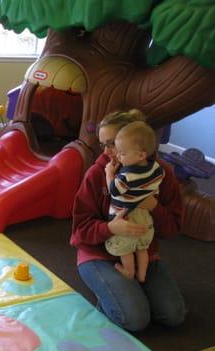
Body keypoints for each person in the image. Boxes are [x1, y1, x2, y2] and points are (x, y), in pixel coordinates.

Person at [70, 109, 186, 332]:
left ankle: (127, 290)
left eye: (112, 143)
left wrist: (153, 206)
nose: (106, 152)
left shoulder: (162, 174)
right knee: (135, 319)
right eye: (103, 144)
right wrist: (110, 228)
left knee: (173, 315)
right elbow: (80, 231)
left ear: (136, 143)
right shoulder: (98, 174)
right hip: (100, 255)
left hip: (142, 251)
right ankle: (110, 293)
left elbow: (172, 229)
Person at [104, 121, 164, 282]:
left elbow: (114, 190)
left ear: (140, 155)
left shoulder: (126, 176)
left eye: (122, 153)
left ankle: (128, 272)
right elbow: (159, 179)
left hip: (126, 215)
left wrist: (109, 173)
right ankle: (142, 275)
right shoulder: (156, 167)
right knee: (142, 248)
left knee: (126, 249)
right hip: (145, 216)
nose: (118, 156)